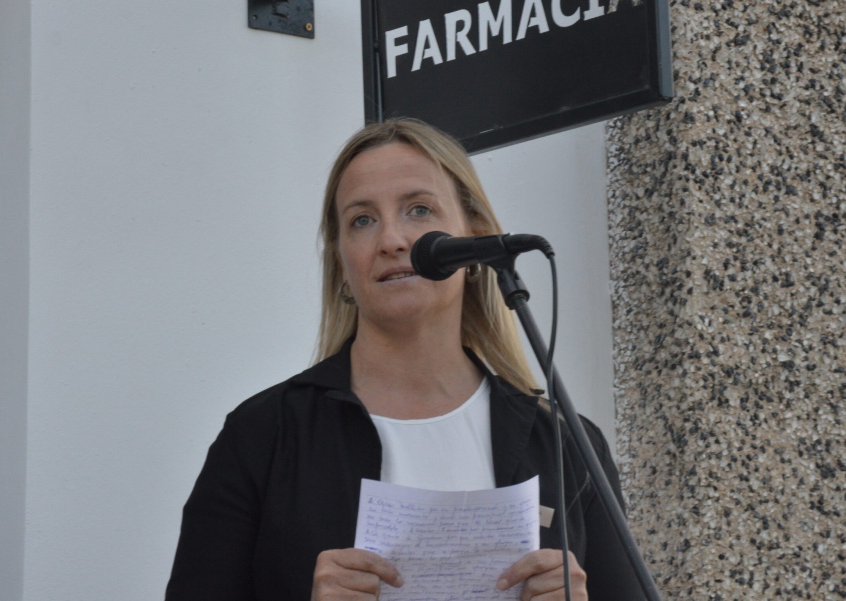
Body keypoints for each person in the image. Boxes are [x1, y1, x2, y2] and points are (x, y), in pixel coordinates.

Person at [166, 118, 642, 601]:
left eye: (419, 210)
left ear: (473, 239)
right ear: (342, 266)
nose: (392, 239)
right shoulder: (263, 436)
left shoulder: (566, 443)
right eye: (362, 220)